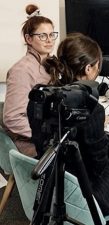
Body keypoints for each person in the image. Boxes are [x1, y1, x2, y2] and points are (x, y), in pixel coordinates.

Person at [34, 33, 109, 225]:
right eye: (97, 67)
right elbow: (99, 166)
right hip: (86, 198)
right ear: (88, 68)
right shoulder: (93, 109)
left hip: (52, 189)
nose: (98, 71)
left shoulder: (45, 99)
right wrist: (98, 126)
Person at [3, 4, 58, 157]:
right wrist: (50, 134)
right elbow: (13, 118)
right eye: (42, 36)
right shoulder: (22, 70)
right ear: (28, 38)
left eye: (52, 34)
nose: (49, 40)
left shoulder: (48, 64)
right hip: (32, 146)